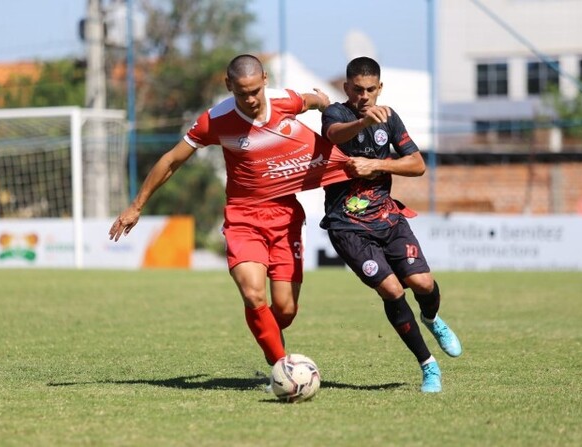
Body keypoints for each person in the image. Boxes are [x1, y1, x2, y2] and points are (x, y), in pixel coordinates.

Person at [109, 54, 349, 371]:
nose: (249, 99)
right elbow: (171, 161)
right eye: (241, 93)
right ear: (228, 86)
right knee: (253, 294)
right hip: (243, 218)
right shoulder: (215, 120)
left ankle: (271, 339)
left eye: (254, 91)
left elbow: (308, 100)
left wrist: (321, 101)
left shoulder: (282, 100)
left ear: (264, 79)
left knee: (285, 309)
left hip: (285, 217)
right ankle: (282, 367)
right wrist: (136, 206)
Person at [320, 56, 462, 393]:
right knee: (392, 290)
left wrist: (375, 164)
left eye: (370, 90)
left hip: (388, 217)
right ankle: (429, 367)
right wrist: (362, 122)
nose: (364, 96)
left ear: (380, 88)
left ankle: (431, 320)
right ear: (346, 88)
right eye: (357, 90)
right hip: (348, 226)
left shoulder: (390, 118)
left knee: (422, 283)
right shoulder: (336, 114)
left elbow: (416, 164)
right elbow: (334, 134)